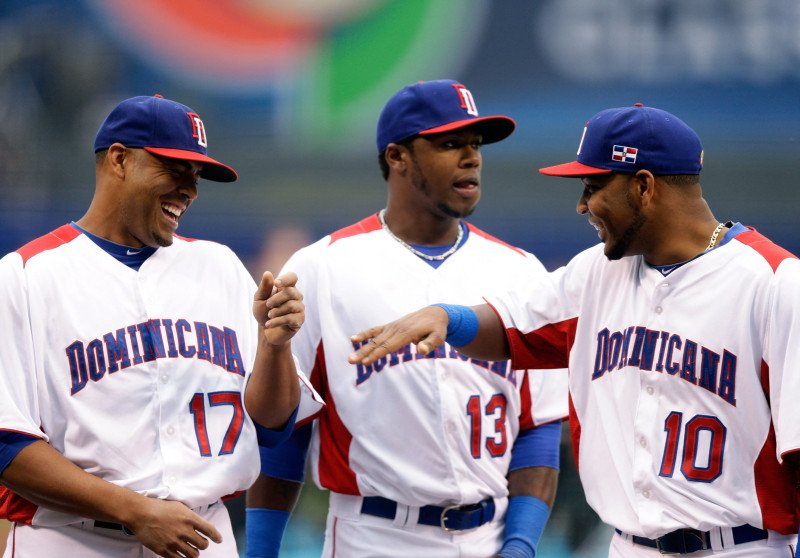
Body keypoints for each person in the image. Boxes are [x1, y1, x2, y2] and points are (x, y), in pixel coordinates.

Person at [349, 104, 800, 557]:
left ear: (643, 186)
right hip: (628, 546)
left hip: (743, 546)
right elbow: (512, 329)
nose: (582, 205)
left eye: (593, 186)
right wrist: (448, 317)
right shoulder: (596, 275)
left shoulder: (775, 283)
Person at [245, 79, 569, 558]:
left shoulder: (520, 272)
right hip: (373, 536)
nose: (471, 157)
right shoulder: (323, 268)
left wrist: (520, 545)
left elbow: (539, 428)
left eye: (475, 145)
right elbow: (285, 434)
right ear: (397, 157)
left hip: (489, 534)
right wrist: (261, 552)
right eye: (449, 143)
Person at [0, 94, 323, 558]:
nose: (189, 188)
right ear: (119, 160)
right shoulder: (26, 275)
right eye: (175, 169)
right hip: (71, 539)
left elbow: (272, 425)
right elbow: (8, 445)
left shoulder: (220, 266)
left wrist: (275, 348)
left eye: (196, 175)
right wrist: (135, 510)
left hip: (202, 534)